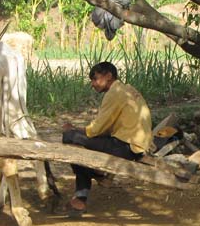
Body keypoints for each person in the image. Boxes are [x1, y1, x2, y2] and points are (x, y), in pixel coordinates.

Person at [61, 61, 152, 213]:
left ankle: (82, 196)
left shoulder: (114, 93)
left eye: (95, 79)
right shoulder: (126, 89)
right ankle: (97, 174)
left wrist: (74, 129)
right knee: (81, 141)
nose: (93, 84)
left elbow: (97, 129)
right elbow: (107, 127)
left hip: (126, 146)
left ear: (108, 76)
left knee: (70, 138)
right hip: (134, 144)